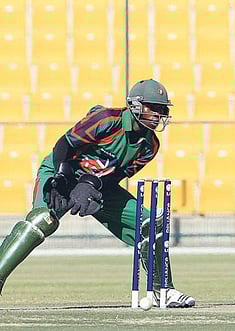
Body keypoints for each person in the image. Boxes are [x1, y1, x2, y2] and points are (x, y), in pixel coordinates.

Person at [0, 79, 195, 308]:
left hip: (99, 184)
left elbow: (118, 174)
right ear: (135, 105)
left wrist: (90, 184)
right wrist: (60, 179)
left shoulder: (149, 145)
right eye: (154, 107)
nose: (159, 114)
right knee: (42, 220)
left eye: (163, 110)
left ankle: (163, 290)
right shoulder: (107, 120)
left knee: (150, 224)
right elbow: (64, 144)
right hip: (61, 169)